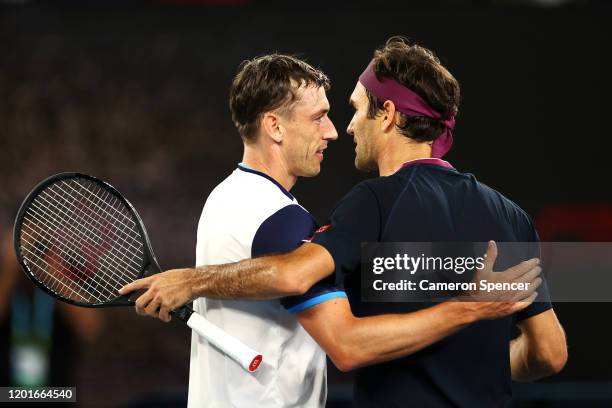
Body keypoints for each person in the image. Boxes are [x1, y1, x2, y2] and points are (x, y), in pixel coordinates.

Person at [120, 39, 565, 407]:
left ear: (388, 115)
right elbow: (549, 353)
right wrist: (471, 355)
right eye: (321, 117)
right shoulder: (511, 215)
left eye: (352, 110)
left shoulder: (241, 198)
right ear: (274, 126)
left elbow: (318, 305)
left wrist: (191, 280)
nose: (340, 129)